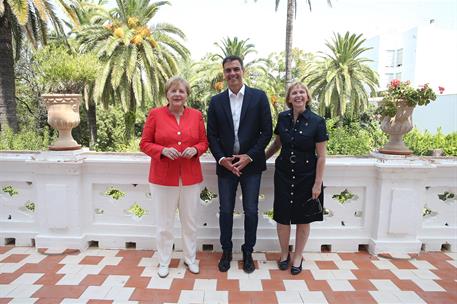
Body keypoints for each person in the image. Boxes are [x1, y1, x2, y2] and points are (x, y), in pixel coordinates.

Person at [207, 55, 272, 273]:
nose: (232, 73)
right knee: (225, 210)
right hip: (226, 165)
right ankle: (226, 251)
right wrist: (221, 159)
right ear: (223, 73)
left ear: (243, 70)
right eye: (228, 70)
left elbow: (266, 132)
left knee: (251, 211)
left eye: (236, 69)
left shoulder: (259, 97)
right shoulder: (216, 101)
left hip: (251, 165)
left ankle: (247, 251)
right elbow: (212, 135)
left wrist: (249, 156)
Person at [140, 76, 208, 278]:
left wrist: (195, 149)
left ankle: (190, 259)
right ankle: (163, 261)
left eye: (181, 91)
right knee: (164, 224)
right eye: (173, 91)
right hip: (162, 179)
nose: (177, 94)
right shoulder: (155, 115)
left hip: (190, 178)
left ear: (187, 95)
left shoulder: (196, 115)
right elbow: (144, 143)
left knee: (190, 222)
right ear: (167, 94)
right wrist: (161, 150)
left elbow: (204, 142)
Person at [265, 82, 328, 275]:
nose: (298, 95)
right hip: (283, 174)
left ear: (307, 97)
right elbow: (277, 143)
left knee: (303, 219)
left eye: (302, 92)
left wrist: (317, 183)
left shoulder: (317, 121)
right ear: (289, 98)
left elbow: (322, 156)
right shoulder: (283, 118)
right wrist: (261, 159)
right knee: (282, 217)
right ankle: (284, 254)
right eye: (294, 93)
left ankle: (298, 256)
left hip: (307, 177)